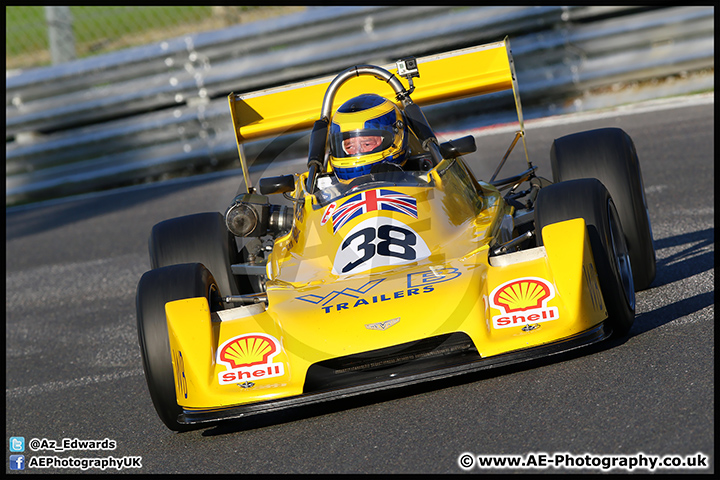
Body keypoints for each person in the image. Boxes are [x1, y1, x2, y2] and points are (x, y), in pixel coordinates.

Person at [328, 94, 409, 180]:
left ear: (396, 139)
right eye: (350, 146)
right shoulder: (326, 191)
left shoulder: (421, 182)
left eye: (367, 144)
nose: (357, 152)